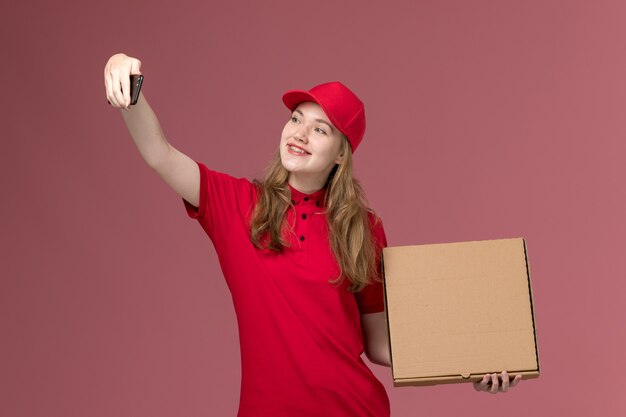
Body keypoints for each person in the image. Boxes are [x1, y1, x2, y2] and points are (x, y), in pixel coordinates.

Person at [104, 53, 523, 416]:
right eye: (296, 119)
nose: (300, 134)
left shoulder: (364, 228)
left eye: (321, 129)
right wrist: (127, 85)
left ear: (341, 152)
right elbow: (159, 153)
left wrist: (471, 363)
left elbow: (380, 345)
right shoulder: (236, 205)